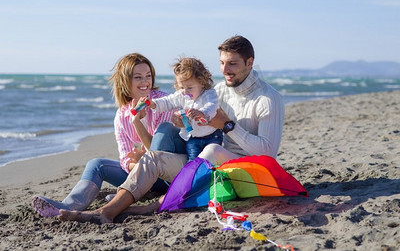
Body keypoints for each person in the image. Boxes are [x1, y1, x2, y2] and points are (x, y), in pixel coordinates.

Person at [58, 35, 285, 224]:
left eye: (233, 63)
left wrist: (227, 126)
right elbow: (188, 105)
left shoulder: (268, 99)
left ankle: (153, 205)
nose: (225, 70)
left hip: (247, 171)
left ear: (250, 62)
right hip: (211, 164)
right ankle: (106, 212)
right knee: (153, 158)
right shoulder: (219, 90)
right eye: (222, 63)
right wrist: (183, 122)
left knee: (212, 150)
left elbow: (267, 154)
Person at [31, 53, 186, 218]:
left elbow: (159, 153)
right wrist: (138, 163)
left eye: (148, 76)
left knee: (164, 130)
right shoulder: (121, 116)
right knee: (97, 165)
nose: (145, 82)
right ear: (125, 81)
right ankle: (69, 205)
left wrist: (138, 125)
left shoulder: (164, 102)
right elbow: (126, 161)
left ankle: (125, 198)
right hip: (145, 177)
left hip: (170, 176)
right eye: (138, 77)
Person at [148, 57, 222, 161]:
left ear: (201, 82)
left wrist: (202, 113)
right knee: (192, 161)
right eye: (182, 87)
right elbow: (168, 101)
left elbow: (212, 106)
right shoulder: (182, 95)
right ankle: (193, 176)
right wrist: (153, 103)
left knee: (211, 161)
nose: (185, 91)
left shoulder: (208, 93)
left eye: (190, 88)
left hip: (212, 136)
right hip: (193, 138)